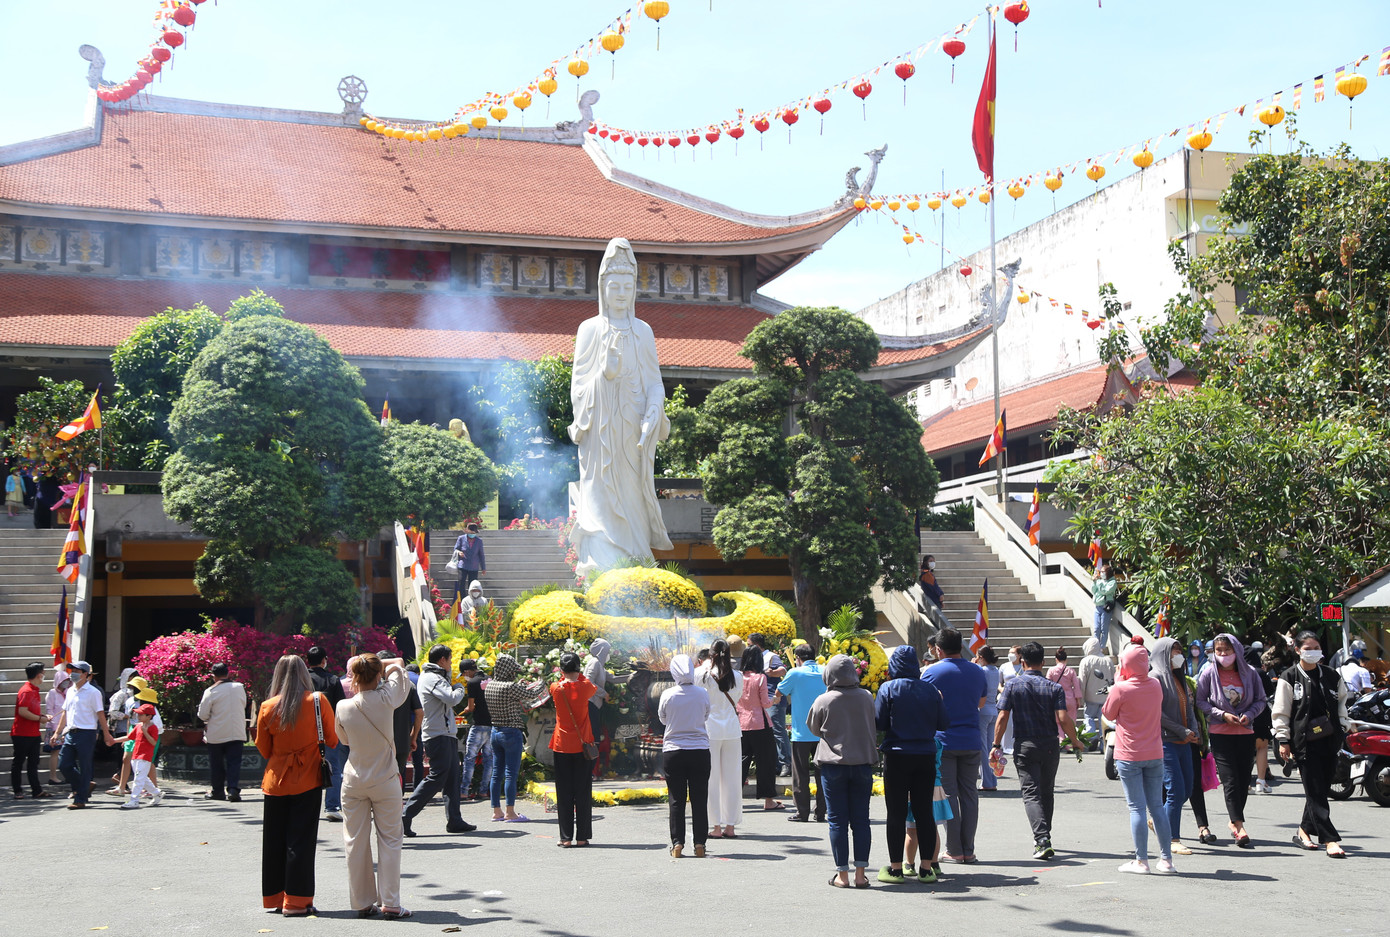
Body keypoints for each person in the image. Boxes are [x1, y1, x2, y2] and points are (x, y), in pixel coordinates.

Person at [566, 237, 673, 579]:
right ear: (603, 287)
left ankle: (638, 561)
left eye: (628, 285)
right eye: (615, 285)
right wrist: (605, 373)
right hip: (600, 437)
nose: (622, 292)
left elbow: (655, 383)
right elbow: (578, 388)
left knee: (633, 499)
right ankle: (600, 564)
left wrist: (654, 411)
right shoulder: (589, 330)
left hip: (634, 435)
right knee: (600, 497)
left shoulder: (643, 331)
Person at [256, 655, 338, 916]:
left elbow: (264, 748)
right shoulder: (318, 701)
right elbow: (334, 740)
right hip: (308, 777)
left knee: (274, 842)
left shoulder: (268, 706)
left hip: (276, 780)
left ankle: (275, 898)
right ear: (305, 673)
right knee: (301, 841)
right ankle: (297, 902)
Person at [335, 653, 412, 919]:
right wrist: (385, 665)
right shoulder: (387, 697)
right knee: (390, 840)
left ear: (353, 677)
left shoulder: (343, 706)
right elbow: (400, 666)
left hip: (354, 778)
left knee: (355, 841)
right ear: (377, 674)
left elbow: (343, 740)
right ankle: (390, 902)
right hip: (386, 778)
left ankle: (362, 902)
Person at [993, 642, 1084, 860]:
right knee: (1046, 791)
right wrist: (1075, 741)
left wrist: (996, 745)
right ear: (1043, 663)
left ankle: (1042, 839)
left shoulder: (1013, 686)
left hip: (1025, 744)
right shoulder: (1054, 687)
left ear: (1022, 661)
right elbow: (1063, 718)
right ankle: (1045, 835)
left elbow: (1003, 717)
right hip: (1050, 745)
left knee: (1031, 793)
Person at [1273, 630, 1351, 858]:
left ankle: (1303, 830)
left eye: (1316, 648)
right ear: (1296, 650)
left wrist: (1344, 725)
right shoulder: (1289, 677)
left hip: (1330, 739)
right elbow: (1281, 711)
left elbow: (1342, 703)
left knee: (1320, 789)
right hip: (1304, 742)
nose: (1313, 652)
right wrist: (1283, 740)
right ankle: (1329, 840)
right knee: (1315, 790)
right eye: (1307, 649)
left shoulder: (1331, 675)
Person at [875, 645, 948, 884]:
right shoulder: (931, 689)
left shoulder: (888, 688)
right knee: (924, 812)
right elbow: (943, 723)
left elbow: (880, 722)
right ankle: (926, 868)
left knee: (895, 813)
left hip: (897, 755)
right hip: (925, 755)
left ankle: (896, 868)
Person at [1104, 644, 1175, 874]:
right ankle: (1166, 860)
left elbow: (1108, 713)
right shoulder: (1155, 684)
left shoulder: (1121, 688)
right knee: (1157, 806)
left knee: (1136, 808)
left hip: (1129, 753)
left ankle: (1141, 861)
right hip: (1154, 752)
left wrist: (1118, 678)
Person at [808, 654, 877, 889]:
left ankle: (842, 875)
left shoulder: (824, 700)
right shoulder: (866, 697)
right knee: (861, 820)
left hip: (833, 765)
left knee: (837, 821)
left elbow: (814, 728)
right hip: (862, 765)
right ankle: (860, 874)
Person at [1195, 633, 1267, 848]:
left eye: (1227, 650)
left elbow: (1261, 700)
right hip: (1220, 733)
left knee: (1244, 780)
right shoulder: (1208, 674)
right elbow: (1201, 701)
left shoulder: (1251, 674)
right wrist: (1221, 714)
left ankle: (1234, 820)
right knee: (1230, 780)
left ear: (1236, 651)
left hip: (1245, 733)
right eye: (1219, 651)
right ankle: (1239, 825)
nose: (1224, 655)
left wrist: (1250, 714)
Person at [921, 628, 986, 864]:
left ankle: (954, 850)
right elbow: (981, 701)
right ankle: (968, 849)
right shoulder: (977, 671)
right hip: (971, 739)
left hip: (943, 741)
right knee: (970, 795)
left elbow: (924, 703)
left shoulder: (930, 672)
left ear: (938, 649)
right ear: (961, 646)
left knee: (949, 795)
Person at [403, 644, 472, 837]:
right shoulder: (432, 678)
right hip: (437, 734)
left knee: (451, 778)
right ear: (442, 660)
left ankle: (455, 820)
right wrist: (459, 687)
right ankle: (405, 815)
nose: (451, 663)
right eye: (450, 659)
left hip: (444, 733)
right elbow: (451, 698)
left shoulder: (435, 676)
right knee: (437, 777)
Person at [1150, 636, 1200, 857]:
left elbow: (1189, 708)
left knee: (1187, 789)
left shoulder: (1178, 677)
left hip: (1184, 742)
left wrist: (1195, 732)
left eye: (1180, 650)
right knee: (1175, 790)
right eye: (1174, 651)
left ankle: (1158, 820)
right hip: (1166, 742)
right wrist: (1182, 730)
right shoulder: (1155, 678)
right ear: (1163, 653)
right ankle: (1172, 839)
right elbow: (1157, 714)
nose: (1179, 655)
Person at [658, 653, 711, 858]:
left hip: (673, 750)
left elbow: (663, 719)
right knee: (699, 799)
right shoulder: (702, 693)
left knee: (676, 800)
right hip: (699, 749)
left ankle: (677, 843)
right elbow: (706, 715)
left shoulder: (668, 694)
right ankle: (700, 844)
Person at [485, 654, 545, 822]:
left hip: (495, 731)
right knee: (511, 773)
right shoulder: (510, 687)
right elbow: (531, 693)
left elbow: (511, 694)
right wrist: (542, 682)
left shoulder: (490, 686)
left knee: (496, 773)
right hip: (511, 732)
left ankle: (497, 812)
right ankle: (510, 812)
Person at [49, 660, 116, 809]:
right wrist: (57, 733)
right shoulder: (71, 691)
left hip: (87, 733)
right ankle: (84, 785)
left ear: (86, 675)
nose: (73, 674)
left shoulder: (93, 692)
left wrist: (106, 734)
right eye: (72, 671)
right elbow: (65, 713)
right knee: (64, 764)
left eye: (77, 672)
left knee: (85, 766)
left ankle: (80, 799)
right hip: (70, 733)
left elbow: (100, 714)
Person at [695, 638, 744, 838]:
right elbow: (737, 698)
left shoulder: (701, 674)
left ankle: (715, 826)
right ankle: (730, 825)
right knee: (732, 778)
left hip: (709, 729)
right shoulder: (738, 676)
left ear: (710, 654)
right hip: (732, 728)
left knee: (711, 778)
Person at [773, 644, 826, 823]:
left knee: (801, 774)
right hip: (823, 733)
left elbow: (779, 692)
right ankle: (821, 812)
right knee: (823, 774)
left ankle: (802, 812)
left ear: (797, 658)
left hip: (801, 732)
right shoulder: (825, 671)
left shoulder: (795, 673)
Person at [549, 652, 597, 847]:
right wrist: (579, 675)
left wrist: (565, 676)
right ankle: (582, 837)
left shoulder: (555, 688)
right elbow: (589, 684)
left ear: (561, 669)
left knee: (564, 792)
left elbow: (562, 681)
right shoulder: (585, 687)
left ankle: (565, 837)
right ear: (578, 668)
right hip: (582, 745)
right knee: (583, 792)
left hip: (561, 746)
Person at [736, 646, 782, 810]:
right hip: (760, 723)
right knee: (766, 762)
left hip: (740, 723)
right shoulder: (761, 678)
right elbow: (765, 703)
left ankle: (734, 798)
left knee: (740, 762)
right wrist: (775, 699)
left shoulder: (737, 677)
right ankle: (768, 800)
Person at [305, 647, 347, 823]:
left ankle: (306, 806)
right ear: (324, 660)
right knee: (333, 769)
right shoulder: (332, 680)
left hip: (305, 731)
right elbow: (340, 707)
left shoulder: (301, 679)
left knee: (305, 767)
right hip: (328, 730)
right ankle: (331, 806)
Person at [198, 662, 248, 802]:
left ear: (213, 676)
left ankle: (218, 791)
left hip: (217, 734)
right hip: (237, 732)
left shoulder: (210, 691)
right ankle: (233, 789)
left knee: (217, 765)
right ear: (228, 673)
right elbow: (243, 704)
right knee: (234, 763)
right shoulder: (239, 687)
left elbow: (203, 715)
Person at [582, 638, 626, 777]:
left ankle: (593, 771)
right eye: (607, 650)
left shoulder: (600, 665)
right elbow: (587, 682)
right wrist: (603, 693)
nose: (608, 653)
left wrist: (632, 676)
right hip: (590, 704)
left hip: (595, 704)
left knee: (596, 736)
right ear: (601, 651)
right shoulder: (594, 663)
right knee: (593, 737)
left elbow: (613, 679)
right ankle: (590, 771)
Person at [748, 632, 791, 776]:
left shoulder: (770, 656)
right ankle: (776, 764)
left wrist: (770, 673)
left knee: (778, 731)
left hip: (774, 699)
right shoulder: (752, 658)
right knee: (767, 734)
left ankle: (786, 763)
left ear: (756, 645)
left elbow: (782, 670)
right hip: (759, 700)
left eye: (749, 645)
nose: (747, 647)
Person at [457, 659, 493, 801]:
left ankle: (464, 791)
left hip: (478, 726)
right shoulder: (490, 679)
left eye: (464, 674)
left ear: (467, 671)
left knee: (470, 759)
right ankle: (484, 791)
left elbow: (471, 707)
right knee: (489, 760)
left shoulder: (472, 683)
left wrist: (466, 709)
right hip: (491, 725)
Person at [11, 661, 48, 799]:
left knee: (33, 763)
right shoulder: (26, 691)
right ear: (39, 675)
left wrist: (42, 717)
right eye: (43, 673)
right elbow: (23, 711)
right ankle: (17, 790)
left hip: (33, 733)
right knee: (19, 762)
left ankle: (36, 790)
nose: (44, 675)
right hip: (21, 733)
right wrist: (40, 719)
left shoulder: (33, 690)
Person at [119, 704, 162, 809]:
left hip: (145, 756)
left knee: (138, 779)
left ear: (149, 716)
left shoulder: (153, 728)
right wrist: (113, 740)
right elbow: (129, 737)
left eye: (141, 714)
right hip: (136, 755)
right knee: (141, 778)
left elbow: (153, 742)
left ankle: (134, 800)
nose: (138, 716)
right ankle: (157, 793)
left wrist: (145, 732)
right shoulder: (138, 726)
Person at [1246, 645, 1276, 794]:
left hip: (1243, 716)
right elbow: (1270, 691)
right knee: (1262, 747)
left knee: (1244, 750)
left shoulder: (1238, 672)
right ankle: (1261, 781)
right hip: (1261, 714)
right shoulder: (1259, 672)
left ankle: (1245, 783)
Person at [973, 646, 1001, 792]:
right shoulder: (995, 670)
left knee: (984, 749)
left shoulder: (981, 670)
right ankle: (992, 779)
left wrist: (974, 663)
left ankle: (988, 782)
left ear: (981, 657)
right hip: (993, 709)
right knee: (991, 748)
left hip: (983, 710)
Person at [1078, 637, 1115, 743]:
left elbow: (1082, 681)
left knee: (1089, 717)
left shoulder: (1085, 661)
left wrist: (1081, 698)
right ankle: (1103, 740)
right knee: (1103, 719)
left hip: (1091, 696)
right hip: (1105, 696)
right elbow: (1113, 679)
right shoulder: (1108, 660)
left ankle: (1091, 735)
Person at [392, 670, 423, 792]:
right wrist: (413, 736)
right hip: (405, 734)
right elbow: (420, 712)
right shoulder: (409, 685)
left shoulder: (378, 687)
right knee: (412, 764)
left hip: (383, 740)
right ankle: (413, 790)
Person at [1047, 648, 1084, 752]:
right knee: (1071, 722)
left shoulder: (1051, 670)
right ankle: (1070, 744)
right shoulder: (1071, 671)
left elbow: (1048, 685)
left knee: (1057, 722)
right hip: (1070, 698)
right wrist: (1078, 700)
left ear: (1056, 659)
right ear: (1066, 659)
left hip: (1056, 699)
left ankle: (1061, 739)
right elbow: (1076, 686)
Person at [44, 668, 72, 785]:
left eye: (67, 680)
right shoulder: (52, 693)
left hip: (66, 727)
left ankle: (68, 776)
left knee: (66, 752)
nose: (65, 682)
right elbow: (49, 710)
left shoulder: (68, 693)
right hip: (55, 727)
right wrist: (55, 726)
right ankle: (53, 776)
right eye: (63, 680)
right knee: (55, 752)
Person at [997, 644, 1024, 755]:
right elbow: (999, 683)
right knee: (1006, 722)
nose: (1010, 655)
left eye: (1013, 653)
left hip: (1019, 698)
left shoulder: (1023, 666)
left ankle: (1015, 745)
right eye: (1010, 652)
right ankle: (1004, 746)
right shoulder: (1004, 666)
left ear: (1019, 655)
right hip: (1006, 697)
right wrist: (1002, 689)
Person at [451, 524, 487, 605]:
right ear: (467, 531)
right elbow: (456, 548)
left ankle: (472, 602)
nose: (472, 534)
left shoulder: (479, 541)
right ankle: (462, 602)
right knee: (461, 584)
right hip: (463, 565)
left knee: (473, 585)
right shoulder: (461, 538)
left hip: (474, 566)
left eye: (474, 533)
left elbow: (481, 555)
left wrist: (483, 568)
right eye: (471, 532)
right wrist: (459, 552)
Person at [1091, 563, 1118, 650]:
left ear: (1108, 572)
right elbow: (1094, 590)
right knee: (1096, 628)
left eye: (1103, 572)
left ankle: (1102, 647)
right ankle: (1096, 647)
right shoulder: (1100, 581)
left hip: (1105, 607)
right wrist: (1094, 582)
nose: (1101, 573)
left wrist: (1098, 583)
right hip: (1097, 606)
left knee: (1104, 628)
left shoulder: (1112, 582)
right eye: (1100, 571)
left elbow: (1105, 591)